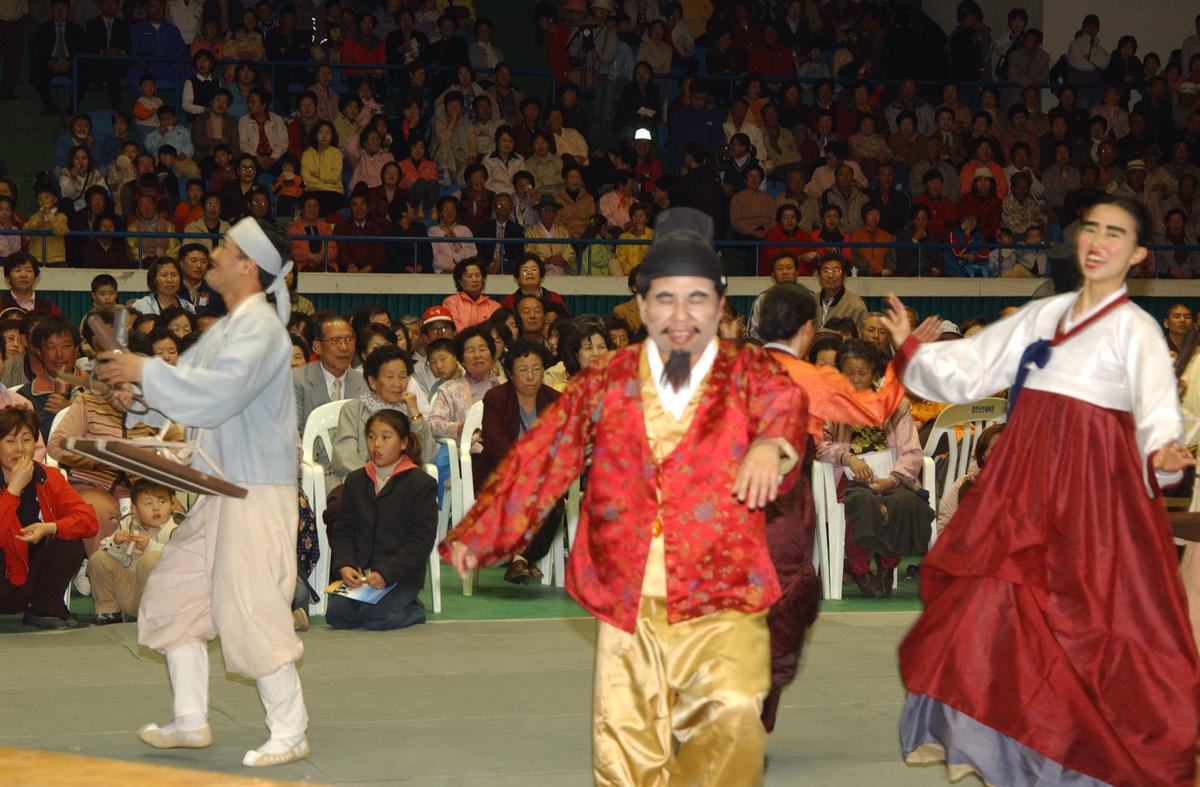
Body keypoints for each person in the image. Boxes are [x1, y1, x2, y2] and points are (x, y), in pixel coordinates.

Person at [441, 206, 805, 785]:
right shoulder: (606, 380)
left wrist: (769, 446)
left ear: (719, 305)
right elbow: (541, 459)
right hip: (629, 589)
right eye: (664, 298)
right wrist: (483, 535)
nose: (680, 315)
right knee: (626, 738)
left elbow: (786, 408)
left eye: (697, 299)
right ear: (640, 306)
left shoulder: (751, 374)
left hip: (722, 585)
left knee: (734, 722)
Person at [884, 196, 1200, 786]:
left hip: (1096, 491)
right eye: (1092, 229)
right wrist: (911, 348)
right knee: (992, 602)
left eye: (1117, 233)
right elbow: (972, 368)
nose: (1100, 241)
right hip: (1026, 481)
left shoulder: (1138, 330)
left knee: (1093, 622)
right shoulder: (1044, 315)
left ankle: (1090, 760)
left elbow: (1158, 416)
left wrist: (1163, 455)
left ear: (1139, 256)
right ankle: (1007, 748)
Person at [95, 217, 312, 767]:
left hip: (254, 490)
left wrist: (144, 369)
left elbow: (215, 396)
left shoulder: (261, 328)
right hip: (219, 489)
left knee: (250, 605)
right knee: (174, 594)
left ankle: (290, 729)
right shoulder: (226, 329)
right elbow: (186, 390)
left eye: (223, 247)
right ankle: (191, 720)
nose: (211, 254)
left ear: (247, 266)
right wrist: (137, 396)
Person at [754, 281, 916, 730]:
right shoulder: (808, 377)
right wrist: (904, 351)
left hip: (718, 506)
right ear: (808, 329)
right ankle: (746, 713)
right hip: (780, 505)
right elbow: (878, 409)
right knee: (789, 600)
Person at [327, 408, 436, 631]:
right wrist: (345, 565)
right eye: (371, 436)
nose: (376, 444)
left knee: (377, 618)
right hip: (363, 575)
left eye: (385, 437)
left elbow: (420, 542)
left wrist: (386, 573)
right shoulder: (356, 480)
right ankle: (377, 606)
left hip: (399, 576)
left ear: (404, 443)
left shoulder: (420, 484)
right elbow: (343, 531)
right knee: (336, 615)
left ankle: (415, 609)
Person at [0, 406, 98, 628]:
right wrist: (13, 490)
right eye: (10, 441)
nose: (19, 448)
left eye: (26, 440)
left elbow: (88, 520)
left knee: (69, 540)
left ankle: (44, 609)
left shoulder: (46, 477)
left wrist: (52, 527)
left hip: (28, 580)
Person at [476, 339, 562, 583]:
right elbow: (496, 444)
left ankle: (519, 559)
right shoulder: (496, 398)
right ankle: (521, 559)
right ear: (511, 374)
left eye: (536, 369)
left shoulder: (555, 399)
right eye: (523, 370)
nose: (531, 376)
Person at [86, 479, 177, 624]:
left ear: (172, 505)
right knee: (99, 558)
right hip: (129, 589)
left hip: (164, 598)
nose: (156, 508)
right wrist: (115, 543)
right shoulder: (127, 523)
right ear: (135, 510)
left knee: (151, 559)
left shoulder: (177, 529)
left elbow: (181, 560)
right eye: (148, 503)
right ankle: (108, 611)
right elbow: (102, 550)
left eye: (162, 502)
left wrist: (150, 546)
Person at [293, 312, 368, 441]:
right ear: (317, 347)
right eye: (336, 340)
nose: (344, 347)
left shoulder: (364, 383)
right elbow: (293, 434)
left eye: (349, 340)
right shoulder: (297, 380)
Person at [443, 258, 500, 330]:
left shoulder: (495, 306)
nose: (474, 280)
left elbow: (497, 330)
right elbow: (454, 329)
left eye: (477, 275)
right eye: (469, 276)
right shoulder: (451, 302)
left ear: (483, 279)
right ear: (460, 282)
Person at [0, 252, 61, 316]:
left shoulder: (49, 308)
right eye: (18, 270)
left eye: (28, 270)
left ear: (35, 276)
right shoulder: (1, 304)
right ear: (7, 277)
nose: (23, 275)